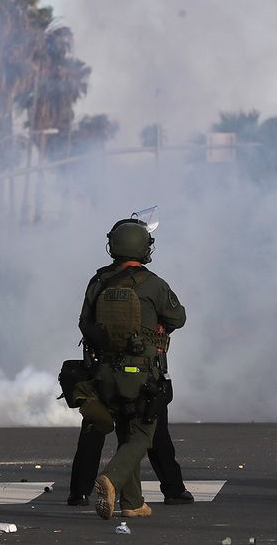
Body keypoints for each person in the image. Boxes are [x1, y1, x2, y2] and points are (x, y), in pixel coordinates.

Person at [79, 210, 186, 521]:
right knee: (143, 434)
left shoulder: (98, 281)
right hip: (140, 374)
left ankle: (133, 502)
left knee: (125, 432)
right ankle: (111, 479)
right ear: (144, 248)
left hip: (103, 372)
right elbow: (177, 318)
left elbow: (85, 323)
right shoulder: (154, 284)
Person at [66, 377, 194, 505]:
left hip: (101, 375)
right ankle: (172, 488)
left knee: (95, 426)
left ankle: (80, 491)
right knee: (149, 429)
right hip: (137, 379)